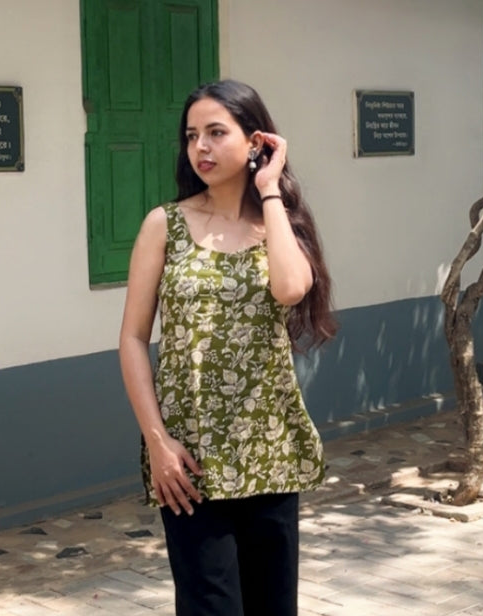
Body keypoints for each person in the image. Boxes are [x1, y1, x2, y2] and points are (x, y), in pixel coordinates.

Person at [119, 79, 337, 616]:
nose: (201, 148)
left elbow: (290, 289)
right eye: (192, 136)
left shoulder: (279, 224)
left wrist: (270, 188)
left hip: (271, 452)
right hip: (191, 464)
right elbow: (131, 339)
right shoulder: (164, 226)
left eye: (217, 133)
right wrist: (157, 443)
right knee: (210, 607)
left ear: (255, 141)